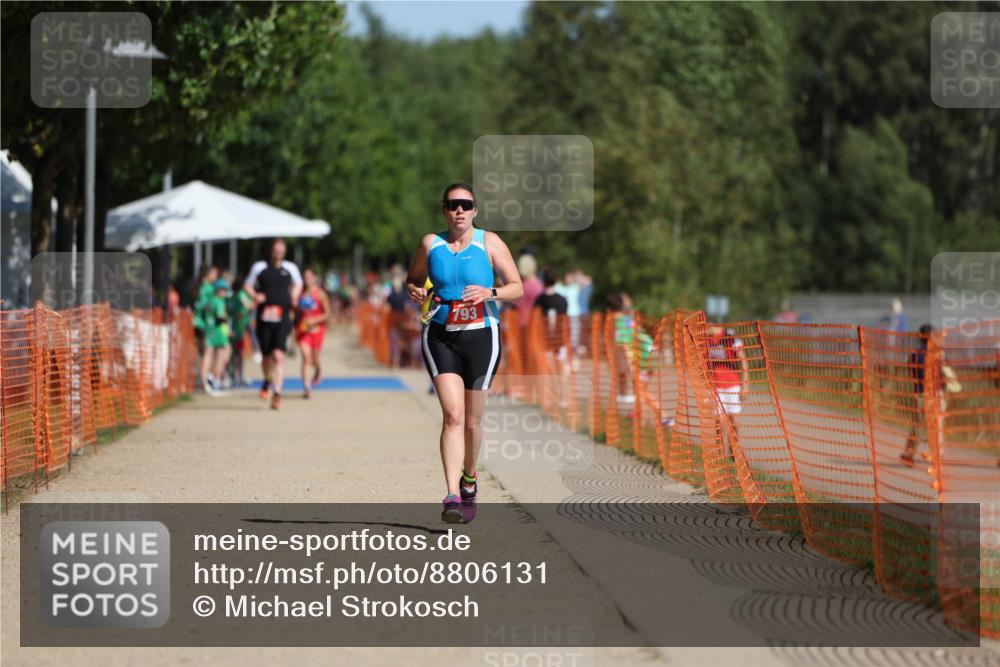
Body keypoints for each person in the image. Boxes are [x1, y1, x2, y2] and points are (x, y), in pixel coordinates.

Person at [406, 183, 523, 523]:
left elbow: (517, 286)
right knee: (453, 416)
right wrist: (414, 290)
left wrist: (491, 291)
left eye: (465, 205)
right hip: (440, 333)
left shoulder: (490, 242)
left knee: (472, 422)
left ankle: (469, 478)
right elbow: (413, 280)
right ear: (444, 210)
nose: (459, 210)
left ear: (475, 210)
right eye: (452, 205)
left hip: (482, 335)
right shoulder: (431, 244)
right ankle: (451, 495)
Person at [243, 239, 303, 411]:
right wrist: (255, 296)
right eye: (276, 250)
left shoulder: (290, 268)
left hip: (282, 316)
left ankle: (277, 393)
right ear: (271, 251)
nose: (278, 253)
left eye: (281, 250)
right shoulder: (259, 267)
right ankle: (267, 380)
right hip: (264, 317)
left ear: (284, 252)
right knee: (266, 356)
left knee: (278, 356)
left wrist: (294, 296)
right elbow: (247, 285)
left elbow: (299, 284)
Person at [706, 324, 749, 461]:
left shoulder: (729, 337)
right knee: (719, 422)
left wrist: (746, 383)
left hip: (732, 384)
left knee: (734, 420)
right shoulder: (705, 340)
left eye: (707, 326)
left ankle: (734, 447)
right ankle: (721, 455)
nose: (705, 329)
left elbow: (743, 359)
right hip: (715, 385)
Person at [295, 268, 332, 398]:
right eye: (305, 277)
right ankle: (307, 387)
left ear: (314, 278)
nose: (307, 280)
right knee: (306, 357)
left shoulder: (320, 294)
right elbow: (296, 312)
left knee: (315, 358)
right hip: (303, 330)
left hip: (317, 330)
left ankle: (318, 370)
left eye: (309, 277)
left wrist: (314, 320)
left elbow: (328, 314)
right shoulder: (300, 293)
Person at [203, 278, 233, 396]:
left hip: (214, 332)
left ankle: (213, 379)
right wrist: (227, 327)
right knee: (221, 356)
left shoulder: (212, 300)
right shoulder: (218, 302)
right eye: (224, 290)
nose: (225, 292)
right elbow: (221, 318)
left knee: (217, 355)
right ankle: (214, 380)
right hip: (219, 333)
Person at [193, 265, 219, 389]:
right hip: (204, 323)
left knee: (204, 352)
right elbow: (204, 306)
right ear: (207, 274)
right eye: (214, 274)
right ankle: (204, 381)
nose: (216, 276)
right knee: (208, 352)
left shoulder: (203, 287)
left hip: (202, 323)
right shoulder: (207, 288)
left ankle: (203, 379)